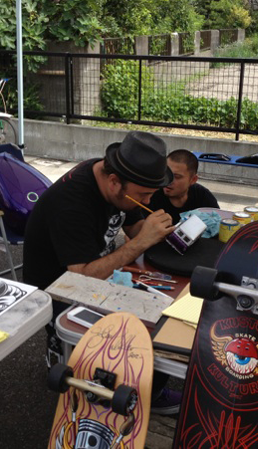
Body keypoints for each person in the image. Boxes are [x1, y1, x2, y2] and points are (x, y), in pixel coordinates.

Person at [23, 131, 182, 414]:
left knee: (168, 305)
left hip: (96, 272)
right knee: (139, 329)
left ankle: (147, 386)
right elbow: (80, 276)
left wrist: (157, 233)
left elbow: (134, 227)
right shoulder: (72, 203)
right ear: (114, 182)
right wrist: (142, 242)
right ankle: (87, 375)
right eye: (144, 196)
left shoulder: (122, 180)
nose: (148, 202)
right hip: (58, 289)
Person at [149, 149, 219, 223]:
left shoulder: (203, 197)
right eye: (166, 173)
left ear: (193, 180)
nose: (168, 180)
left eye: (177, 177)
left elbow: (218, 222)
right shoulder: (150, 195)